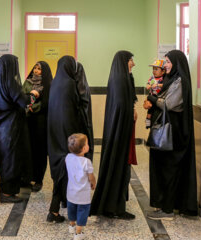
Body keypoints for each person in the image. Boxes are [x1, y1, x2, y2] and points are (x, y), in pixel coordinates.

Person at [143, 50, 198, 220]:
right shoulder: (172, 79)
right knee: (163, 169)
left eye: (167, 61)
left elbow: (169, 104)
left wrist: (152, 99)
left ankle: (167, 209)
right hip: (169, 132)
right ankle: (165, 205)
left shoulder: (180, 81)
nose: (165, 64)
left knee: (169, 170)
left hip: (174, 134)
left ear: (176, 63)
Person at [90, 50, 137, 220]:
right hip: (119, 132)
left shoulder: (123, 78)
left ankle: (116, 205)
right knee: (118, 166)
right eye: (131, 60)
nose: (133, 63)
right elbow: (122, 107)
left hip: (120, 130)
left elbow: (129, 101)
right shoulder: (119, 80)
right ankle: (114, 207)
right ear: (124, 61)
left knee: (121, 167)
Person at [47, 56, 94, 223]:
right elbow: (77, 111)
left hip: (54, 135)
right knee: (68, 171)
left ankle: (55, 209)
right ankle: (62, 210)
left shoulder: (54, 84)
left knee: (59, 171)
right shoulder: (69, 85)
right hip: (68, 135)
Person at [0, 54, 35, 203]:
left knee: (4, 158)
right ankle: (7, 193)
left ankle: (6, 190)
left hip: (0, 126)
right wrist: (32, 95)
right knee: (11, 159)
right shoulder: (10, 81)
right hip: (11, 127)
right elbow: (22, 101)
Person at [22, 61, 53, 192]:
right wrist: (29, 107)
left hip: (41, 121)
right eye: (35, 68)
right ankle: (27, 177)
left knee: (40, 150)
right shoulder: (27, 82)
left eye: (39, 69)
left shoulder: (48, 84)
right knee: (28, 148)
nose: (36, 71)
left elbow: (48, 102)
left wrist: (36, 107)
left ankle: (38, 179)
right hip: (28, 119)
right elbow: (22, 97)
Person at [66, 133, 96, 240]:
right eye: (87, 144)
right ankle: (78, 233)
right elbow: (90, 177)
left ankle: (72, 225)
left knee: (71, 208)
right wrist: (94, 183)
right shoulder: (86, 162)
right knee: (82, 210)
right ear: (84, 148)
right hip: (83, 193)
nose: (88, 145)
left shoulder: (68, 157)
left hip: (71, 191)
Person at [145, 59, 165, 128]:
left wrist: (157, 85)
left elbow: (164, 85)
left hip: (158, 97)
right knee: (150, 110)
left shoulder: (163, 78)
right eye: (153, 69)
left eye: (156, 69)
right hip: (152, 95)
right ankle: (148, 121)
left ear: (163, 71)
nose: (154, 71)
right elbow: (148, 83)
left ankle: (150, 120)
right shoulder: (152, 78)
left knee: (153, 108)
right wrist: (148, 86)